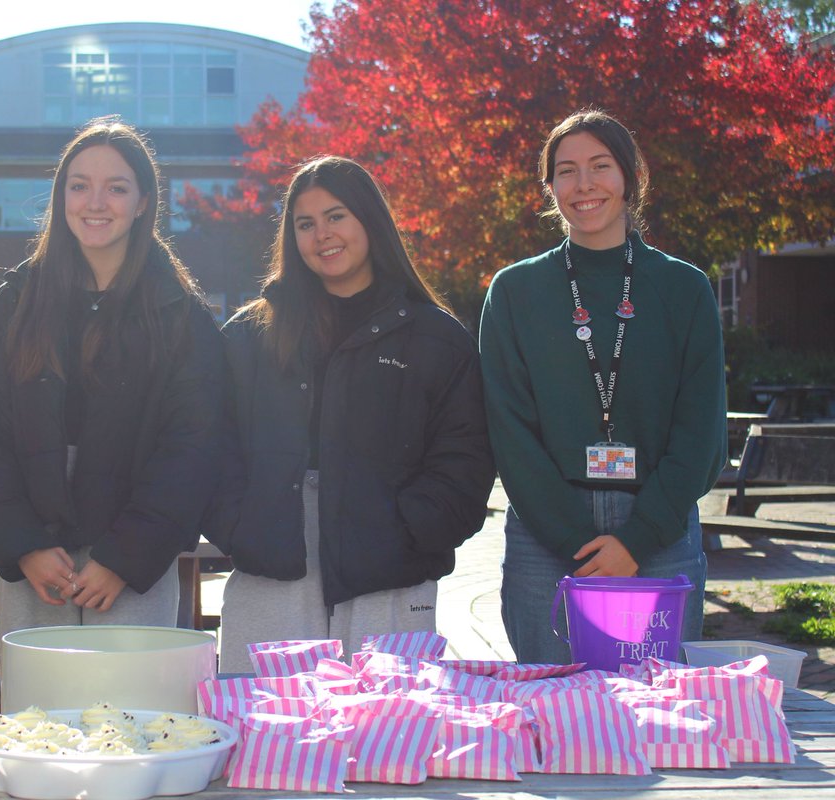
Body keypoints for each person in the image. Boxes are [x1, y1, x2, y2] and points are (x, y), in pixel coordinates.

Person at [208, 156, 495, 673]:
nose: (323, 234)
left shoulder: (436, 338)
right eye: (305, 223)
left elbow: (465, 459)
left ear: (370, 219)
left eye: (336, 216)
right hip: (273, 559)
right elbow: (213, 443)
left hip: (388, 565)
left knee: (387, 739)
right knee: (268, 735)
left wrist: (411, 528)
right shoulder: (251, 334)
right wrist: (239, 527)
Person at [0, 118, 224, 639]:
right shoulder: (14, 305)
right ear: (61, 197)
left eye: (116, 188)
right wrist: (24, 546)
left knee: (129, 716)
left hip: (131, 566)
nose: (95, 202)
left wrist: (124, 557)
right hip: (36, 562)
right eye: (79, 186)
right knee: (38, 717)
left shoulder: (179, 316)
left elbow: (192, 449)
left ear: (144, 201)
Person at [479, 109, 727, 664]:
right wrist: (574, 540)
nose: (584, 184)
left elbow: (701, 433)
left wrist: (636, 540)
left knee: (654, 708)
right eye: (565, 171)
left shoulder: (684, 288)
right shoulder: (515, 291)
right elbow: (508, 428)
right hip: (546, 531)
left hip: (658, 528)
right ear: (549, 187)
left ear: (629, 178)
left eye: (600, 166)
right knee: (553, 702)